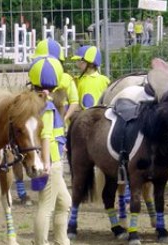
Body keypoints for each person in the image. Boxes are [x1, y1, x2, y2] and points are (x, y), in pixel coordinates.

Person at [29, 56, 72, 245]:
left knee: (65, 203)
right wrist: (46, 163)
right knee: (46, 206)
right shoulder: (47, 106)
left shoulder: (33, 102)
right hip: (51, 161)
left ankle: (62, 240)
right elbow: (46, 136)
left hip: (48, 159)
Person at [71, 45, 110, 110]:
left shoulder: (78, 80)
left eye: (79, 60)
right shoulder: (105, 80)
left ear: (90, 63)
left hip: (90, 116)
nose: (77, 64)